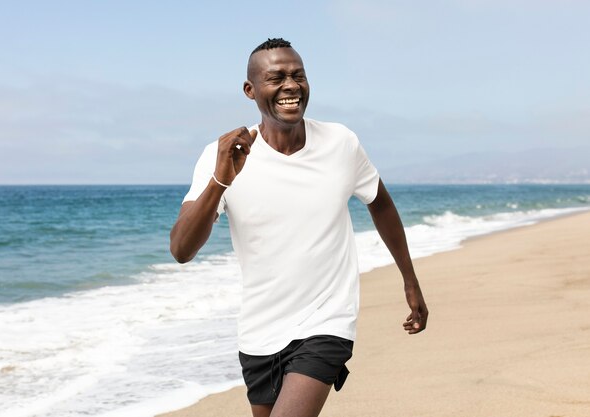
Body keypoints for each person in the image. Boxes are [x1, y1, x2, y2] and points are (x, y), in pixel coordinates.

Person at [170, 38, 428, 417]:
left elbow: (380, 202)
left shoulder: (341, 142)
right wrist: (220, 181)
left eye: (298, 76)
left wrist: (409, 278)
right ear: (250, 90)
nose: (291, 86)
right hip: (259, 332)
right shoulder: (222, 154)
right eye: (276, 78)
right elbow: (181, 249)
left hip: (328, 321)